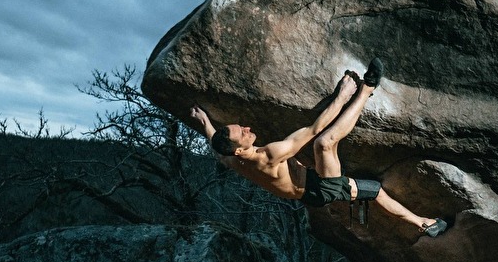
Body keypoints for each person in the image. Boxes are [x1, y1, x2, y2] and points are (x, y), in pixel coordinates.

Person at [190, 57, 449, 237]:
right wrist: (342, 96)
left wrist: (205, 122)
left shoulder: (232, 159)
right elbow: (315, 129)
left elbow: (217, 147)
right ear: (239, 150)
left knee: (375, 193)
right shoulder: (268, 155)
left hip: (310, 185)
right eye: (243, 133)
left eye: (242, 127)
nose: (247, 129)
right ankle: (367, 89)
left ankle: (423, 223)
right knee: (324, 143)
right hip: (319, 190)